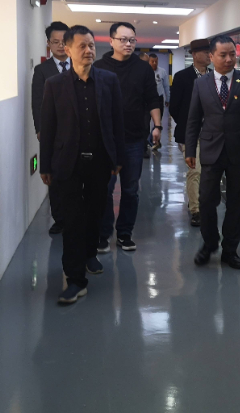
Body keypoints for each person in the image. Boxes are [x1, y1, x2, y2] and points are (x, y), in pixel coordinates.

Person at [40, 25, 125, 304]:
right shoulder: (55, 85)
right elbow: (48, 128)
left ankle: (89, 254)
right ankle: (75, 279)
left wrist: (118, 158)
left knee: (95, 214)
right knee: (73, 220)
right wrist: (45, 166)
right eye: (82, 46)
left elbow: (117, 121)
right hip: (68, 163)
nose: (89, 50)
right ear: (67, 50)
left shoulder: (109, 80)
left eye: (91, 45)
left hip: (100, 162)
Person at [185, 35, 240, 269]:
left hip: (239, 150)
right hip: (211, 149)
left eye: (232, 54)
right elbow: (193, 119)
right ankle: (209, 243)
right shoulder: (201, 84)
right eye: (223, 55)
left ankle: (230, 250)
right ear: (211, 56)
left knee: (236, 203)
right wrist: (190, 149)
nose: (229, 59)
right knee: (206, 201)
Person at [94, 22, 163, 252]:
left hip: (134, 138)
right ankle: (103, 234)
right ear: (111, 41)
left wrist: (157, 126)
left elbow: (152, 99)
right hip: (106, 140)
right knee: (104, 189)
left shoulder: (143, 69)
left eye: (132, 40)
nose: (128, 44)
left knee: (131, 189)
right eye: (123, 39)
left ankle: (124, 234)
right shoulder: (99, 67)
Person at [31, 21, 70, 234]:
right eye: (55, 42)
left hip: (79, 131)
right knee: (55, 177)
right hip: (53, 132)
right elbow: (37, 101)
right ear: (48, 43)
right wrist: (40, 129)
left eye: (64, 41)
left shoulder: (80, 65)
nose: (60, 46)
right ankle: (60, 219)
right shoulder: (42, 70)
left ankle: (78, 216)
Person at [169, 38, 210, 227]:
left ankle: (197, 199)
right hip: (190, 134)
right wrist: (189, 126)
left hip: (212, 134)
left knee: (208, 172)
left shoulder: (215, 76)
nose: (209, 55)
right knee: (195, 170)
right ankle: (196, 210)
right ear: (194, 55)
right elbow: (174, 107)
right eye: (206, 52)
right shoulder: (182, 77)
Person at [148, 52, 170, 150]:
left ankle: (156, 141)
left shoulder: (162, 71)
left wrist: (168, 99)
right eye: (152, 61)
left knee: (158, 122)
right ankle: (147, 141)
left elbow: (166, 86)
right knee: (146, 121)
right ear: (149, 62)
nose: (154, 63)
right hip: (147, 99)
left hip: (159, 99)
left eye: (156, 61)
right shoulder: (145, 71)